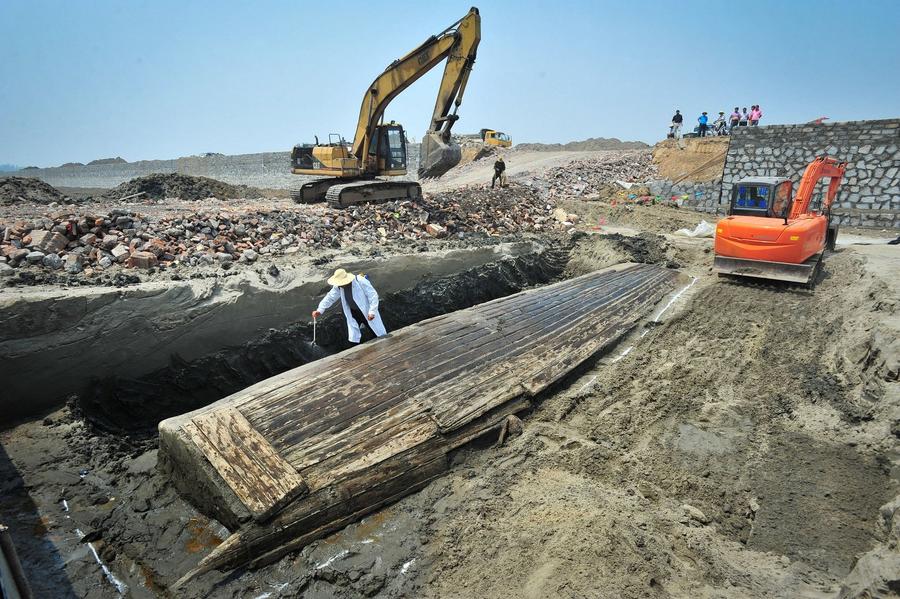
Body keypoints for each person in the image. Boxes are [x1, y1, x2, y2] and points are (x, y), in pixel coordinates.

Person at [312, 268, 387, 344]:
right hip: (353, 312)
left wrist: (372, 312)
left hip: (366, 311)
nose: (341, 285)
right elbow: (330, 297)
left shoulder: (360, 280)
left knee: (377, 333)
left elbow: (373, 296)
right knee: (353, 337)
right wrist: (320, 310)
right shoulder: (339, 286)